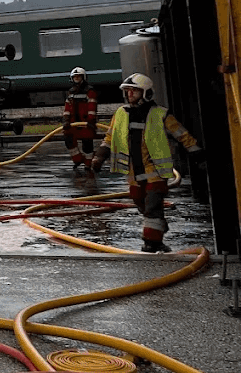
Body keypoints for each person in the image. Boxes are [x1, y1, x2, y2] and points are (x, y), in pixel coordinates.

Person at [90, 74, 202, 252]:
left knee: (152, 206)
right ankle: (158, 226)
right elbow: (109, 138)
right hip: (134, 170)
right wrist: (99, 158)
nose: (129, 94)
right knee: (139, 201)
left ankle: (152, 243)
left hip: (156, 169)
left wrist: (195, 152)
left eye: (133, 91)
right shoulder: (121, 113)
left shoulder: (161, 114)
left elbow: (181, 134)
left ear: (146, 92)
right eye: (127, 91)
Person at [62, 67, 99, 173]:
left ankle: (88, 164)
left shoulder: (90, 91)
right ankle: (77, 159)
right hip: (73, 124)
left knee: (87, 145)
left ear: (83, 77)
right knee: (68, 139)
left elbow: (92, 107)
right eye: (75, 77)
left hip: (86, 124)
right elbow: (67, 108)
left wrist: (91, 121)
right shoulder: (71, 92)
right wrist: (66, 121)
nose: (77, 78)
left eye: (78, 76)